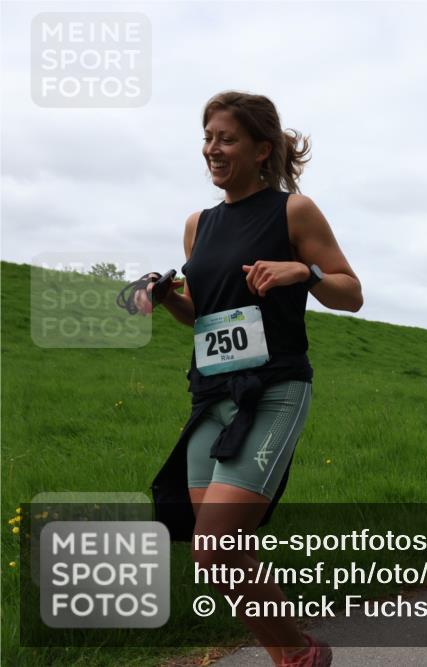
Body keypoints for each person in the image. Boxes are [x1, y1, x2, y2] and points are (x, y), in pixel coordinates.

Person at [137, 91, 362, 667]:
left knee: (215, 549)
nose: (212, 149)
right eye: (208, 137)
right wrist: (167, 298)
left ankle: (299, 657)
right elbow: (202, 314)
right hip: (211, 396)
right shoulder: (198, 225)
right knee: (222, 557)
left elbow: (351, 293)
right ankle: (297, 656)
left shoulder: (293, 211)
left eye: (227, 139)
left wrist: (303, 271)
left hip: (273, 391)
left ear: (262, 150)